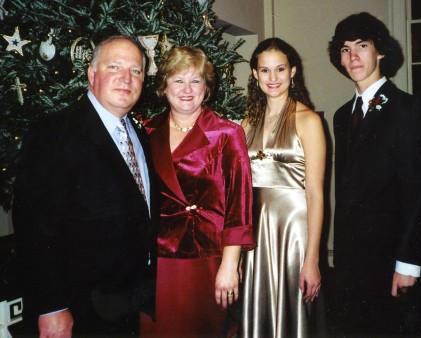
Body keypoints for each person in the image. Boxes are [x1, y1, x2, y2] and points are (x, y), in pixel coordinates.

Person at [12, 35, 159, 337]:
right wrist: (51, 307)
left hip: (129, 303)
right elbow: (35, 229)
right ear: (92, 74)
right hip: (80, 311)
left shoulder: (140, 135)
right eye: (114, 67)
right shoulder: (54, 132)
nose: (126, 78)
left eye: (136, 70)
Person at [328, 12, 421, 335]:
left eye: (361, 46)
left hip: (392, 260)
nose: (352, 56)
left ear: (380, 51)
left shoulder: (409, 110)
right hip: (351, 263)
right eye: (345, 49)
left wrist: (408, 263)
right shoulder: (341, 116)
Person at [139, 46, 255, 337]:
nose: (187, 89)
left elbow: (239, 203)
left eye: (196, 80)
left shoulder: (227, 133)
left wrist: (231, 265)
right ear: (164, 85)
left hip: (206, 257)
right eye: (178, 80)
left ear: (207, 87)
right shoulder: (147, 131)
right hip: (157, 257)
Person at [241, 37, 326, 337]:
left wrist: (312, 259)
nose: (272, 78)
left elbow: (316, 194)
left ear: (292, 72)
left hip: (294, 235)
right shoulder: (246, 123)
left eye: (280, 69)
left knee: (294, 315)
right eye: (265, 71)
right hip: (256, 234)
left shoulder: (308, 120)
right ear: (254, 74)